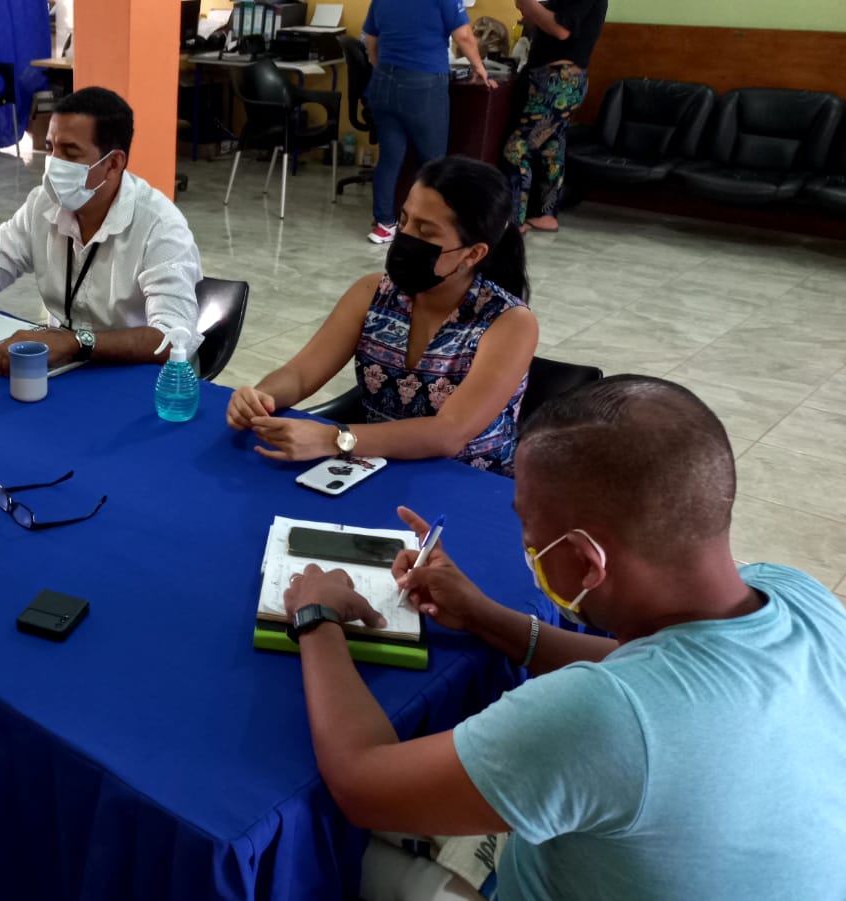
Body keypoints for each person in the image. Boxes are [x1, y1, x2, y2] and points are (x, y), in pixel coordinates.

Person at [278, 375, 846, 900]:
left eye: (528, 530)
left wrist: (317, 616)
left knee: (325, 857)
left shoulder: (603, 719)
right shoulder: (797, 594)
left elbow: (361, 784)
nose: (526, 544)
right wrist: (481, 615)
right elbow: (646, 666)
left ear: (584, 560)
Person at [226, 157, 536, 476]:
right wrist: (262, 396)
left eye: (425, 232)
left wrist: (335, 438)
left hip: (468, 483)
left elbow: (449, 433)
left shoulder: (509, 322)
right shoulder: (373, 292)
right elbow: (300, 374)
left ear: (473, 253)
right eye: (404, 220)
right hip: (378, 466)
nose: (405, 236)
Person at [0, 86, 201, 376]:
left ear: (113, 164)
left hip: (137, 373)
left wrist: (75, 343)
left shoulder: (160, 226)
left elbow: (172, 339)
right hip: (64, 363)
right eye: (50, 148)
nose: (54, 163)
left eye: (70, 152)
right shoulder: (43, 204)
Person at [362, 0, 496, 244]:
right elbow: (464, 36)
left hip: (383, 82)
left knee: (389, 157)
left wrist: (382, 68)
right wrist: (480, 68)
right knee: (433, 163)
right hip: (423, 84)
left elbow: (371, 40)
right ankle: (429, 226)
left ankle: (384, 224)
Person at [503, 0, 609, 232]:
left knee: (516, 150)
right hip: (561, 80)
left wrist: (528, 4)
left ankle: (513, 221)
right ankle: (545, 214)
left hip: (556, 81)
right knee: (551, 148)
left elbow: (561, 29)